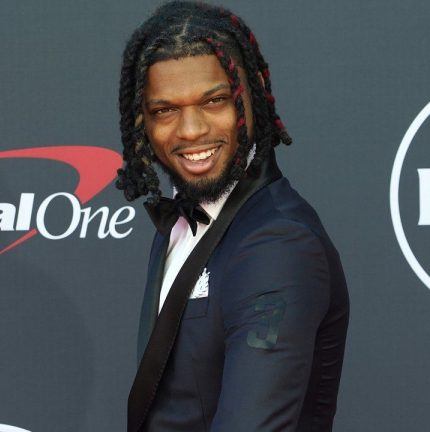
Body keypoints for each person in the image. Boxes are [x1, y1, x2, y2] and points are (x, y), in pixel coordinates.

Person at [115, 2, 349, 431]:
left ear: (253, 94)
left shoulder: (278, 245)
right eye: (165, 110)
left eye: (215, 101)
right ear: (141, 121)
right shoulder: (181, 221)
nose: (190, 130)